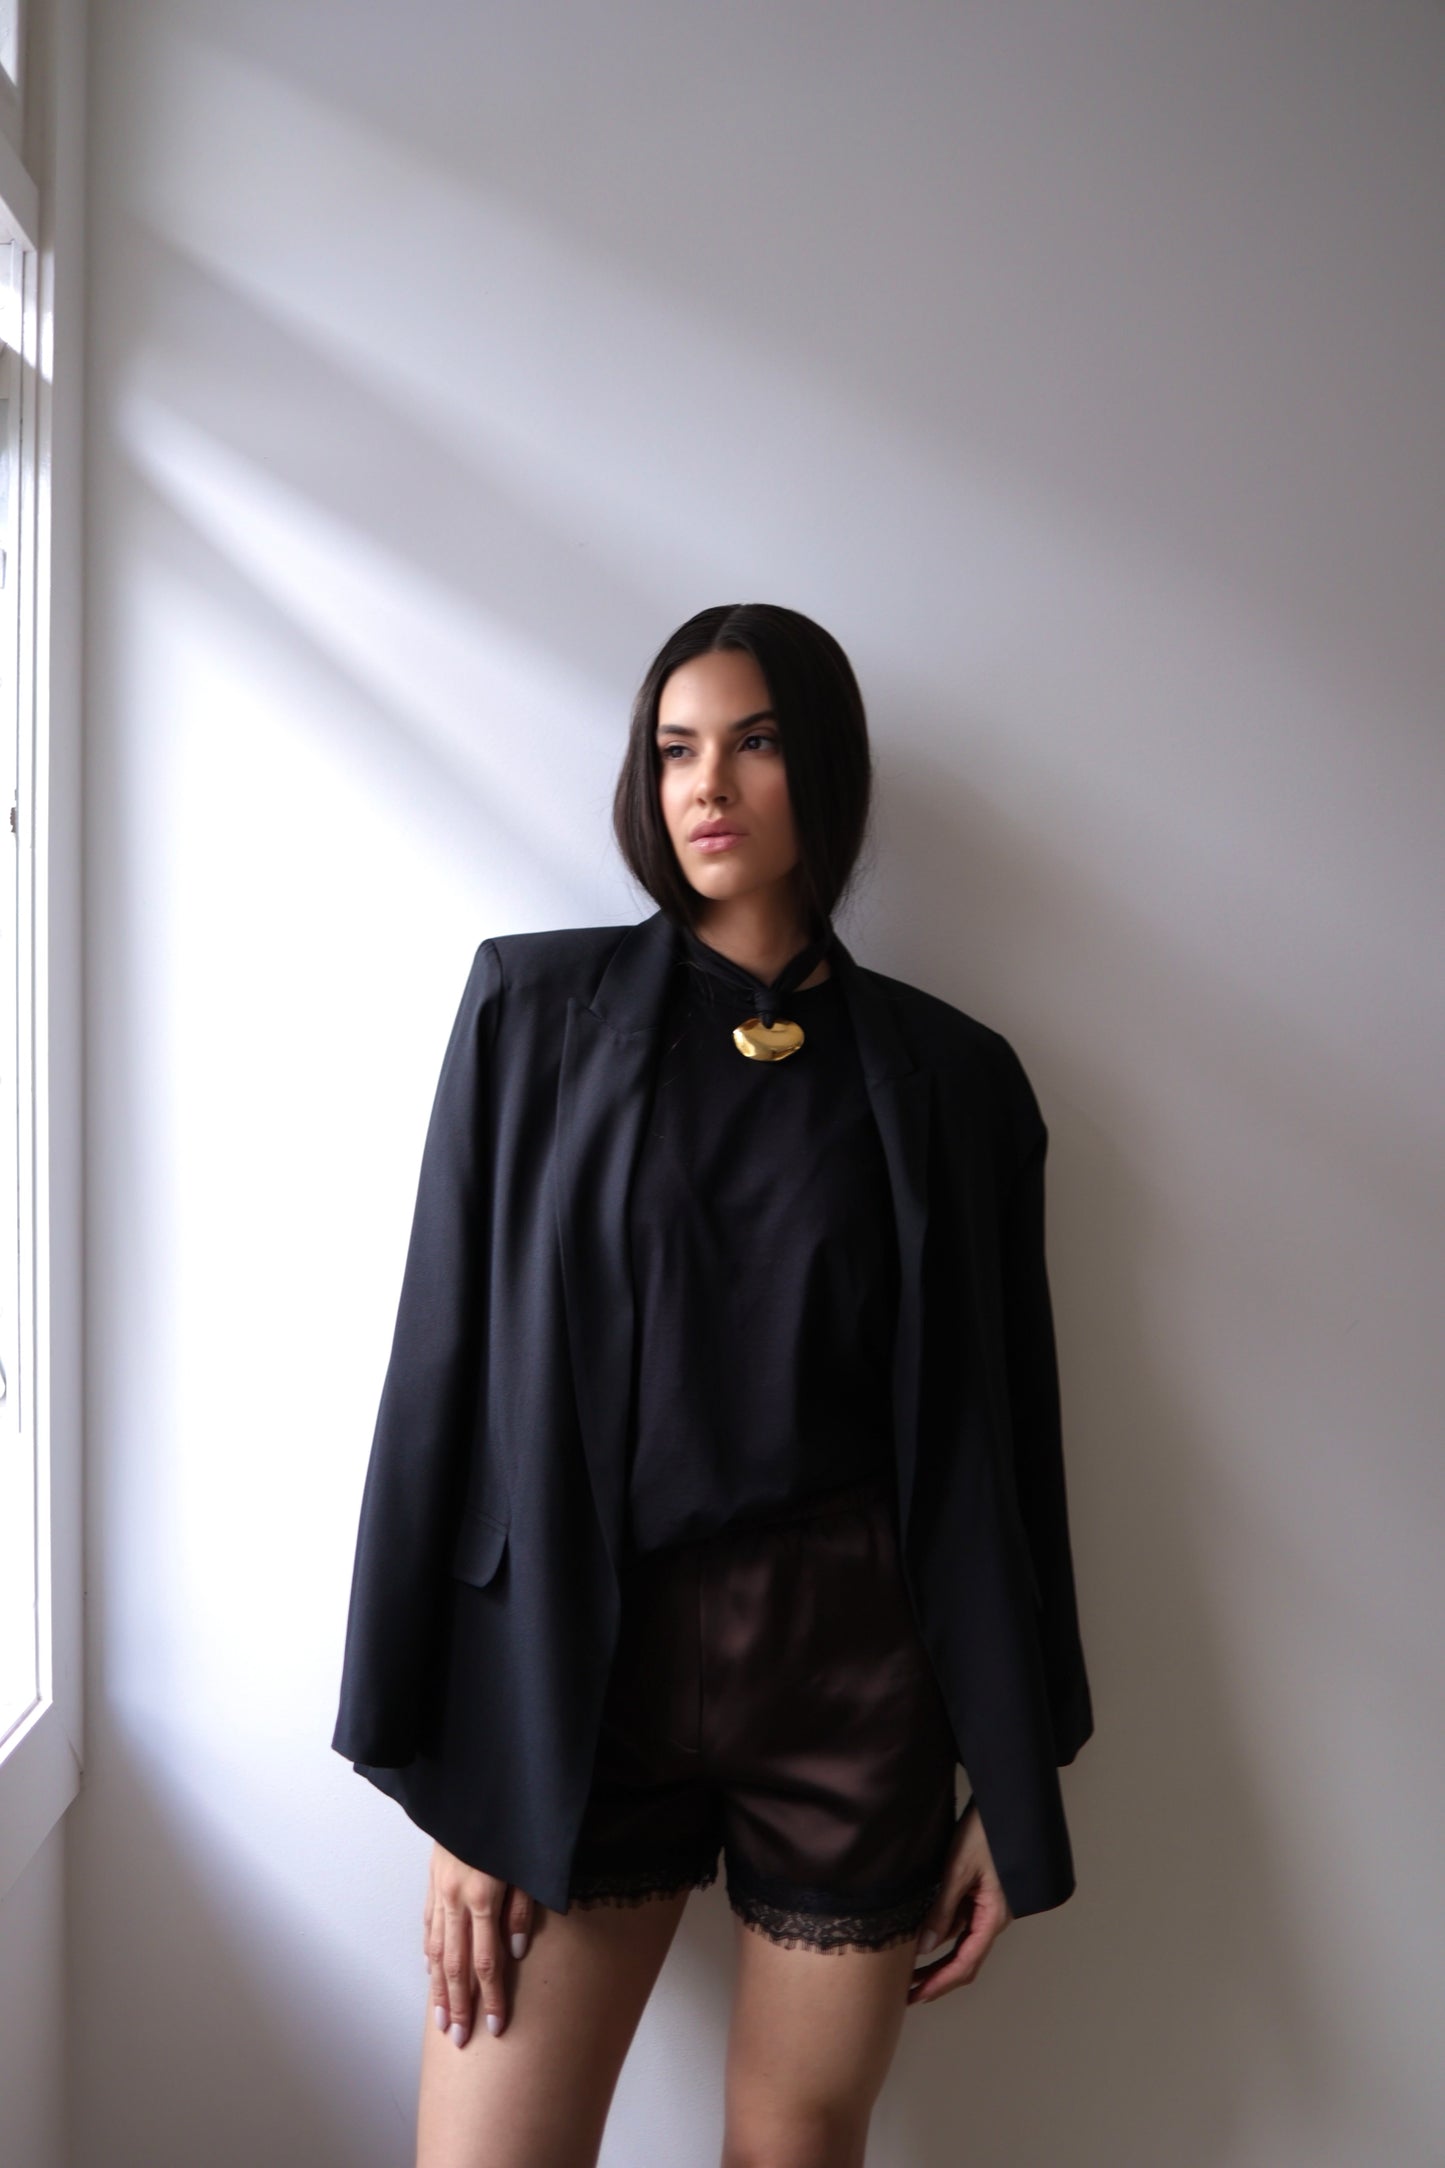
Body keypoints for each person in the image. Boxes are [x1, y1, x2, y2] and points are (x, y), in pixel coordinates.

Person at [332, 602, 1094, 2168]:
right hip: (577, 1664)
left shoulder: (954, 1080)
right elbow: (440, 1380)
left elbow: (1005, 1443)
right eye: (675, 749)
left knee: (792, 2146)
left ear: (826, 771)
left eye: (753, 743)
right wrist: (461, 1782)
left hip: (853, 1674)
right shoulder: (531, 1016)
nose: (709, 785)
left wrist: (1008, 1783)